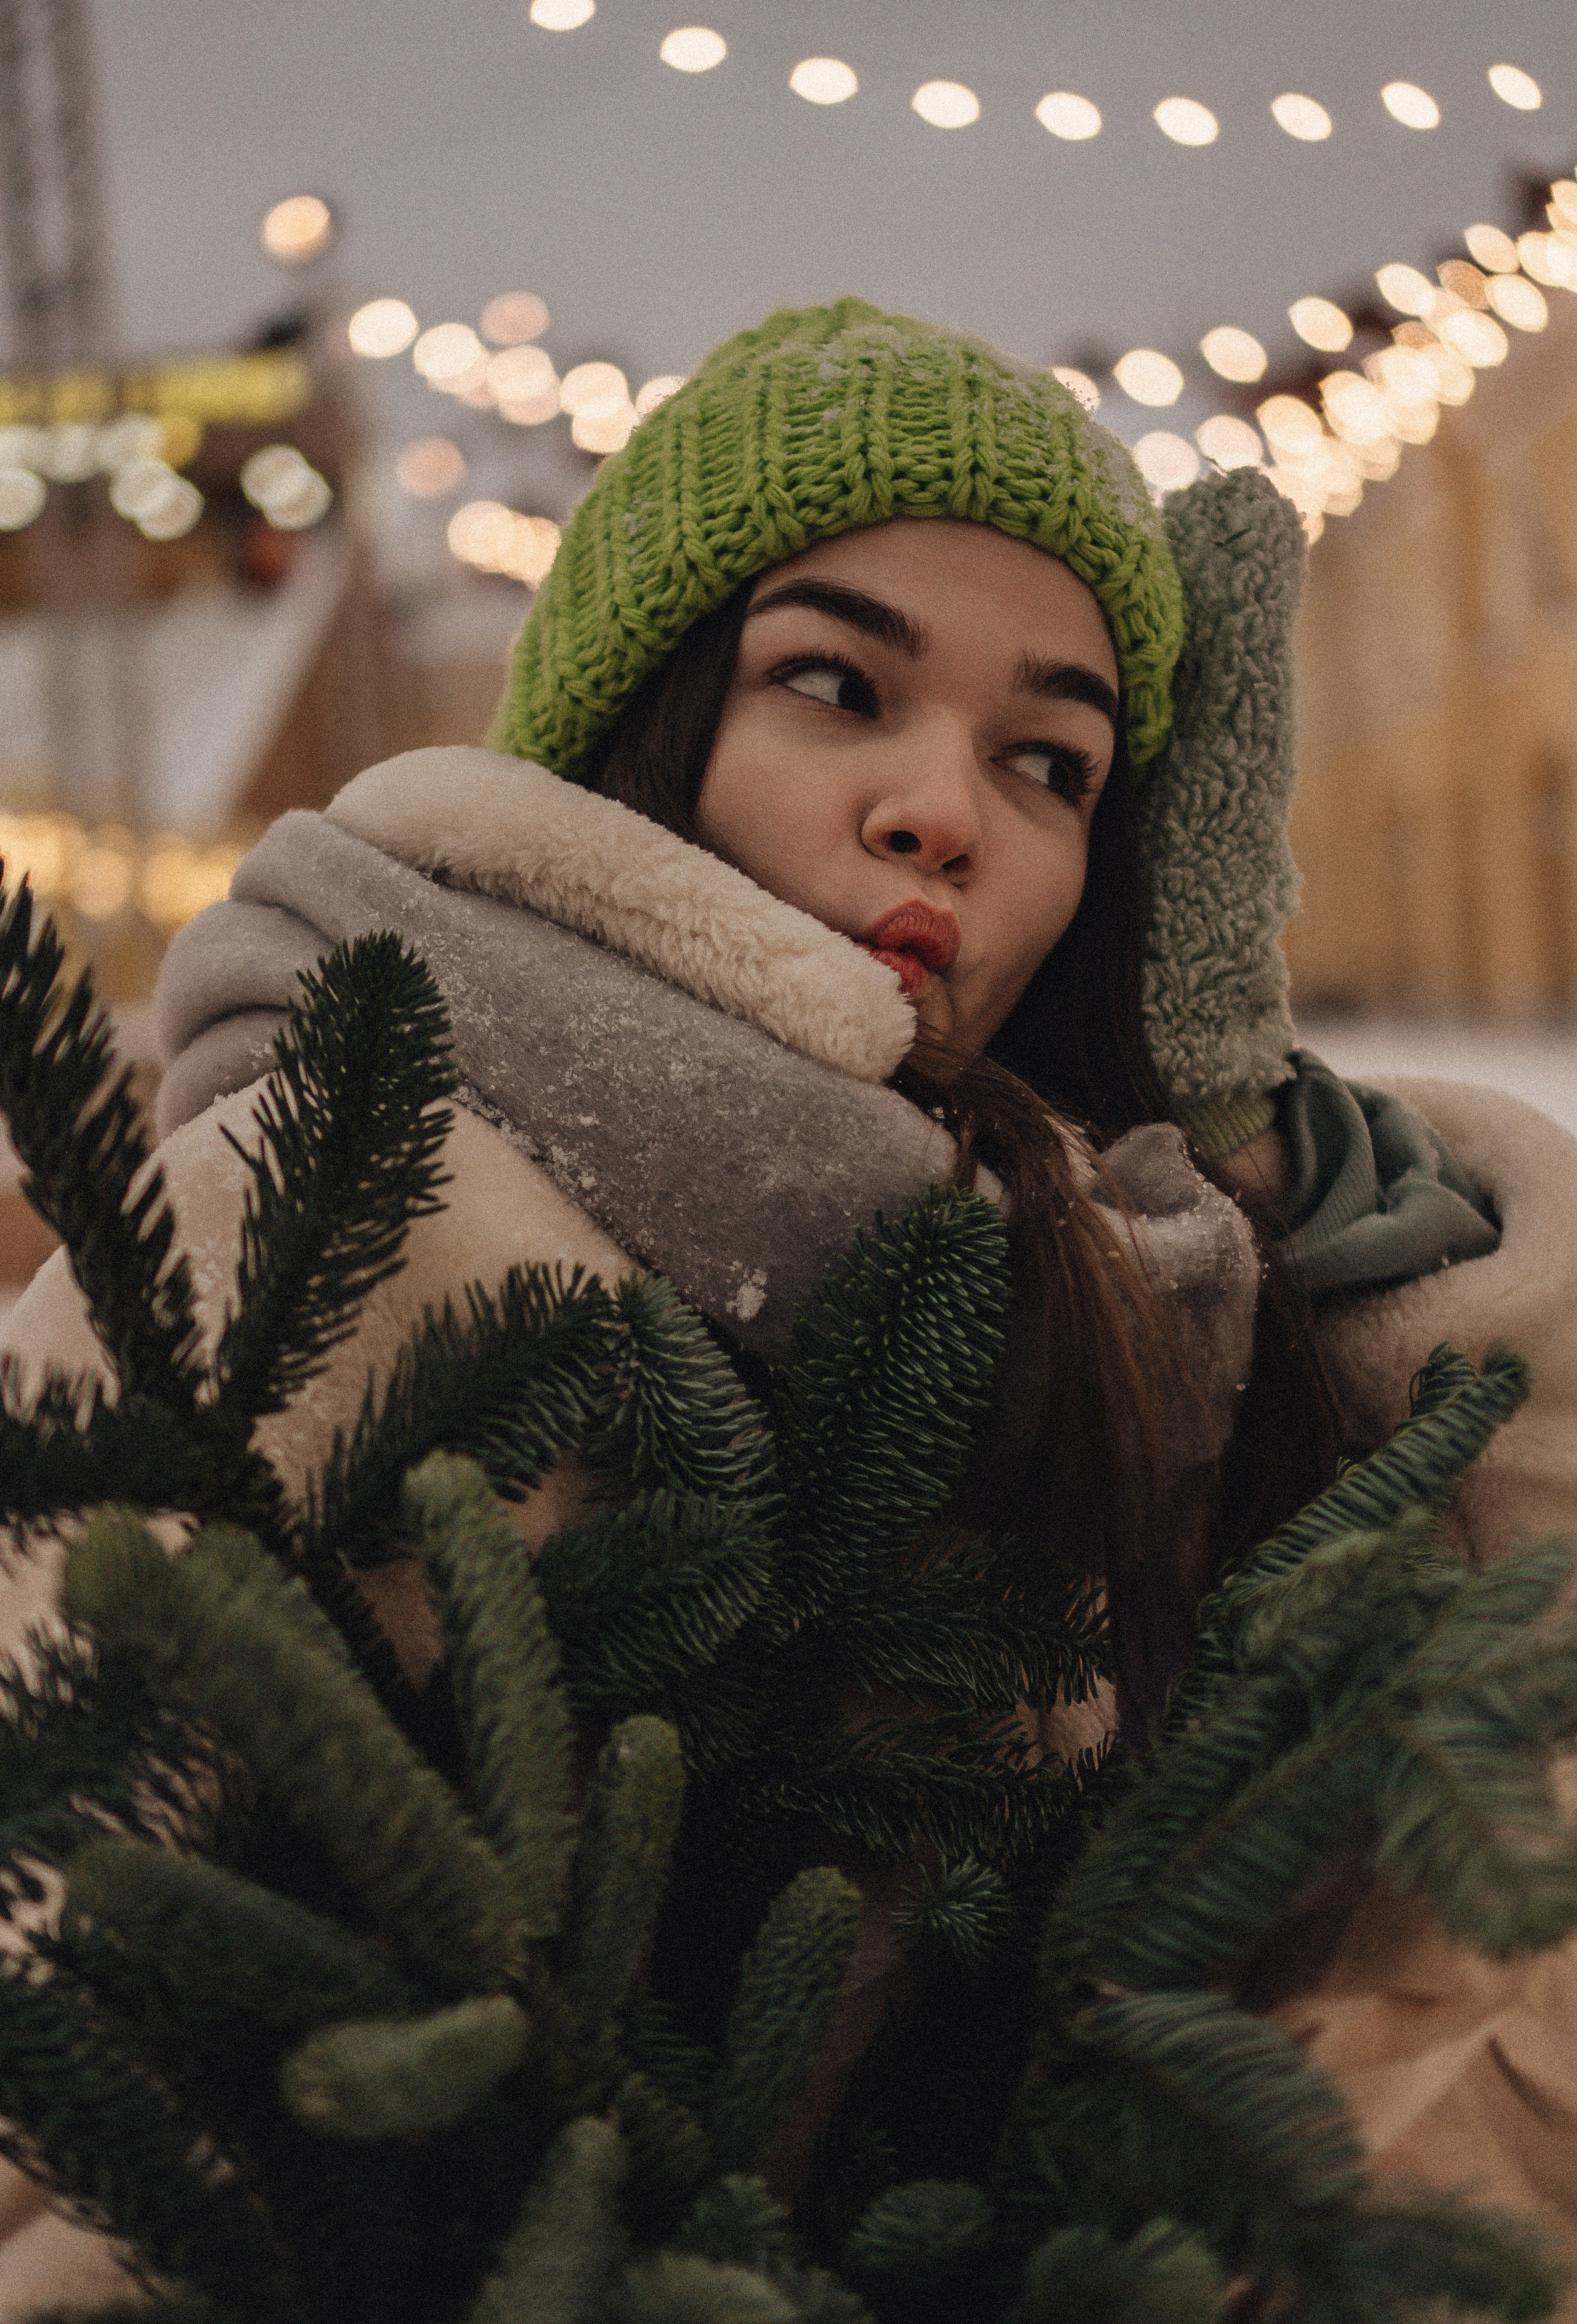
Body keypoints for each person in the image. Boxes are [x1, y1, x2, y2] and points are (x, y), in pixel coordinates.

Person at [4, 297, 1577, 2307]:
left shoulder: (1107, 1287)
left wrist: (1266, 1161)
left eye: (1055, 765)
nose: (950, 811)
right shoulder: (334, 1205)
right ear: (646, 722)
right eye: (837, 684)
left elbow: (1496, 1842)